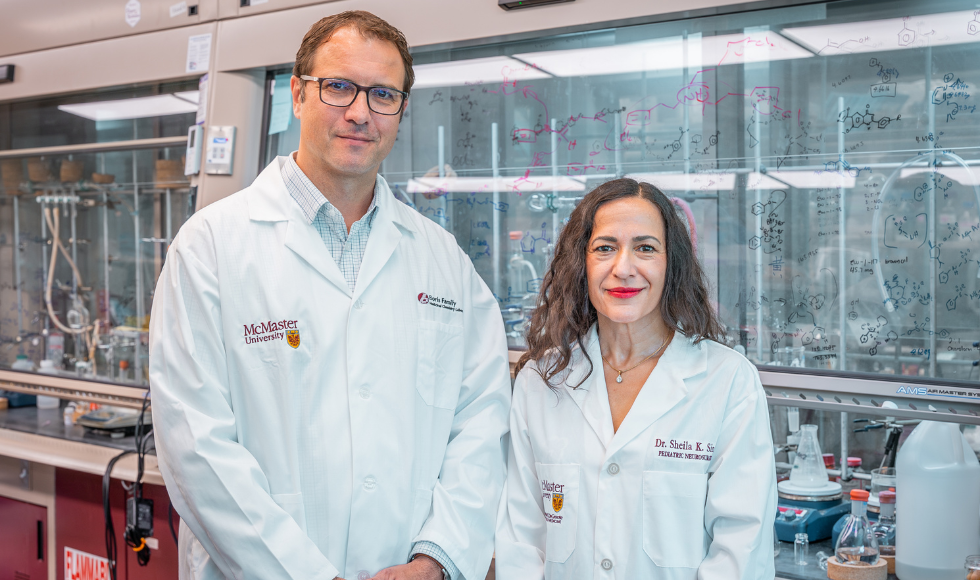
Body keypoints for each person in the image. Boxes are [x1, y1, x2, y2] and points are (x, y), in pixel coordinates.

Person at [149, 11, 510, 580]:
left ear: (401, 110)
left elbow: (483, 420)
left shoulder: (443, 261)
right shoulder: (212, 247)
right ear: (297, 93)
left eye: (383, 94)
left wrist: (437, 558)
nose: (360, 112)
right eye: (339, 86)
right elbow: (195, 447)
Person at [494, 178, 777, 579]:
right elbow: (521, 541)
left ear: (671, 263)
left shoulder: (727, 383)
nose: (623, 268)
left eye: (645, 248)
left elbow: (740, 552)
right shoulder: (540, 383)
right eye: (605, 248)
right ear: (582, 263)